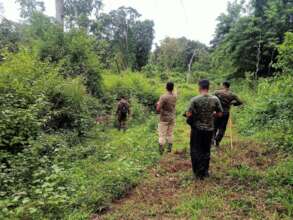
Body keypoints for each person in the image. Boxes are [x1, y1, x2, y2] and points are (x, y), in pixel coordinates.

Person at [186, 79, 223, 179]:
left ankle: (197, 173)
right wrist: (213, 114)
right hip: (209, 129)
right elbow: (220, 113)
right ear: (208, 87)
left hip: (197, 130)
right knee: (206, 150)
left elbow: (188, 114)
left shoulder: (194, 100)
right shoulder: (215, 99)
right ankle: (205, 172)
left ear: (199, 87)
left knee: (195, 150)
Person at [213, 81, 243, 147]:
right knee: (222, 128)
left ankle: (212, 141)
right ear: (229, 87)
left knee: (214, 127)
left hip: (217, 112)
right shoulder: (232, 94)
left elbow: (211, 98)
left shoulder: (217, 92)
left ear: (223, 85)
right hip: (225, 113)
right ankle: (217, 140)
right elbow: (240, 102)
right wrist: (233, 103)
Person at [156, 82, 177, 154]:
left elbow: (158, 109)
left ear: (166, 87)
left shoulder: (163, 97)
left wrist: (158, 104)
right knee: (170, 134)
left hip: (164, 118)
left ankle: (161, 151)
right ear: (173, 88)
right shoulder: (175, 96)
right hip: (172, 117)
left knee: (162, 135)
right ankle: (169, 149)